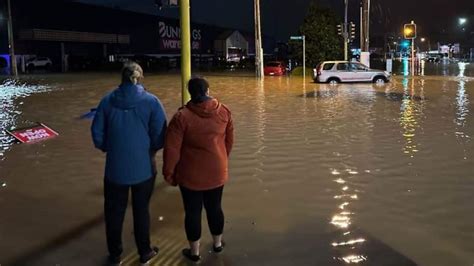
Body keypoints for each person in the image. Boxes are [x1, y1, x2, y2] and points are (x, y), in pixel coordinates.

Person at [91, 62, 167, 265]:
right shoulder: (152, 102)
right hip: (144, 169)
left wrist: (109, 147)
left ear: (122, 78)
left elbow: (97, 134)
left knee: (114, 213)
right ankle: (145, 252)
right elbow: (160, 134)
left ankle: (115, 255)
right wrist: (149, 150)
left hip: (114, 169)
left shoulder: (107, 101)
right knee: (141, 210)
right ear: (140, 79)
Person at [163, 77, 234, 262]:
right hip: (217, 171)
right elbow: (229, 141)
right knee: (215, 208)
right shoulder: (224, 112)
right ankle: (217, 244)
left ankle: (194, 252)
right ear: (208, 91)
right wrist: (221, 159)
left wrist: (169, 173)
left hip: (190, 174)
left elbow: (172, 149)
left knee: (193, 212)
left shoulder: (181, 117)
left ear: (190, 93)